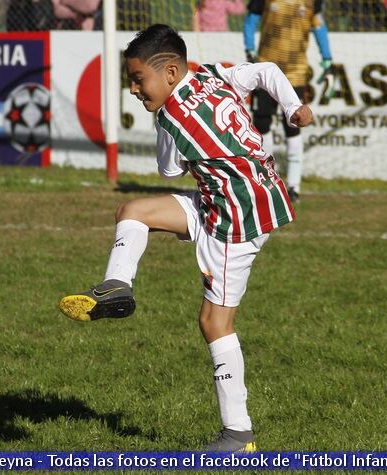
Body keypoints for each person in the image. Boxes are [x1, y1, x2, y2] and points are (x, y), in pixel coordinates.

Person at [58, 24, 312, 451]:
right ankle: (117, 286)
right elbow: (267, 69)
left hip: (235, 217)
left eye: (139, 80)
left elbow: (169, 171)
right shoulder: (212, 73)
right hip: (242, 194)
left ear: (171, 72)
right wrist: (292, 106)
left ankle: (238, 434)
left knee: (214, 323)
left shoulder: (171, 118)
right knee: (134, 211)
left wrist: (164, 123)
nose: (135, 90)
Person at [244, 0, 332, 202]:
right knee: (262, 123)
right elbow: (250, 20)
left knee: (293, 125)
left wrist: (327, 56)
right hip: (265, 71)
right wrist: (249, 48)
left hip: (295, 73)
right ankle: (266, 182)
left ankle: (294, 186)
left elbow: (318, 24)